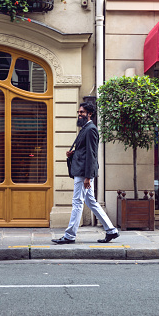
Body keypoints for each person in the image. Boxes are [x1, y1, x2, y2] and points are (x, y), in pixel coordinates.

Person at [52, 102, 119, 244]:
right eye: (79, 112)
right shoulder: (85, 129)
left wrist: (88, 177)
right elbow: (84, 151)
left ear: (89, 114)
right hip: (83, 171)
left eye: (82, 112)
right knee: (91, 201)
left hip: (83, 173)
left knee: (77, 202)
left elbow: (91, 154)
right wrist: (73, 153)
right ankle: (111, 230)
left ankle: (70, 235)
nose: (79, 114)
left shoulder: (90, 130)